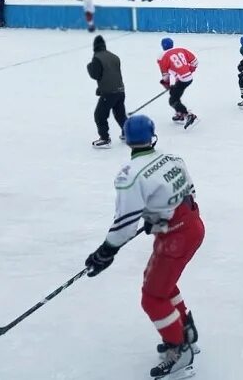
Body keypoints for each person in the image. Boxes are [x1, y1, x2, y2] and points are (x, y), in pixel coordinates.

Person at [83, 113, 204, 379]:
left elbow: (125, 222)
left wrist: (106, 251)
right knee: (161, 284)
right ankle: (186, 330)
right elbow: (188, 193)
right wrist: (160, 214)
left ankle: (179, 351)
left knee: (152, 297)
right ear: (152, 136)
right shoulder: (172, 159)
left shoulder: (131, 175)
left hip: (175, 238)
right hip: (192, 226)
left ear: (126, 140)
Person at [87, 35, 127, 148]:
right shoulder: (114, 56)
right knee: (120, 114)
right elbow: (111, 74)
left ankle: (104, 138)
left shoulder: (97, 57)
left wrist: (89, 66)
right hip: (120, 90)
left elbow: (95, 74)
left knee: (99, 115)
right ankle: (128, 133)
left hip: (109, 92)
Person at [157, 37, 199, 129]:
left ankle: (188, 115)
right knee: (174, 94)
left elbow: (165, 75)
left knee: (173, 100)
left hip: (182, 80)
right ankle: (180, 114)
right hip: (188, 78)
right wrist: (189, 71)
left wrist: (167, 84)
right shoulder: (181, 50)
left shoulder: (162, 57)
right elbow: (195, 62)